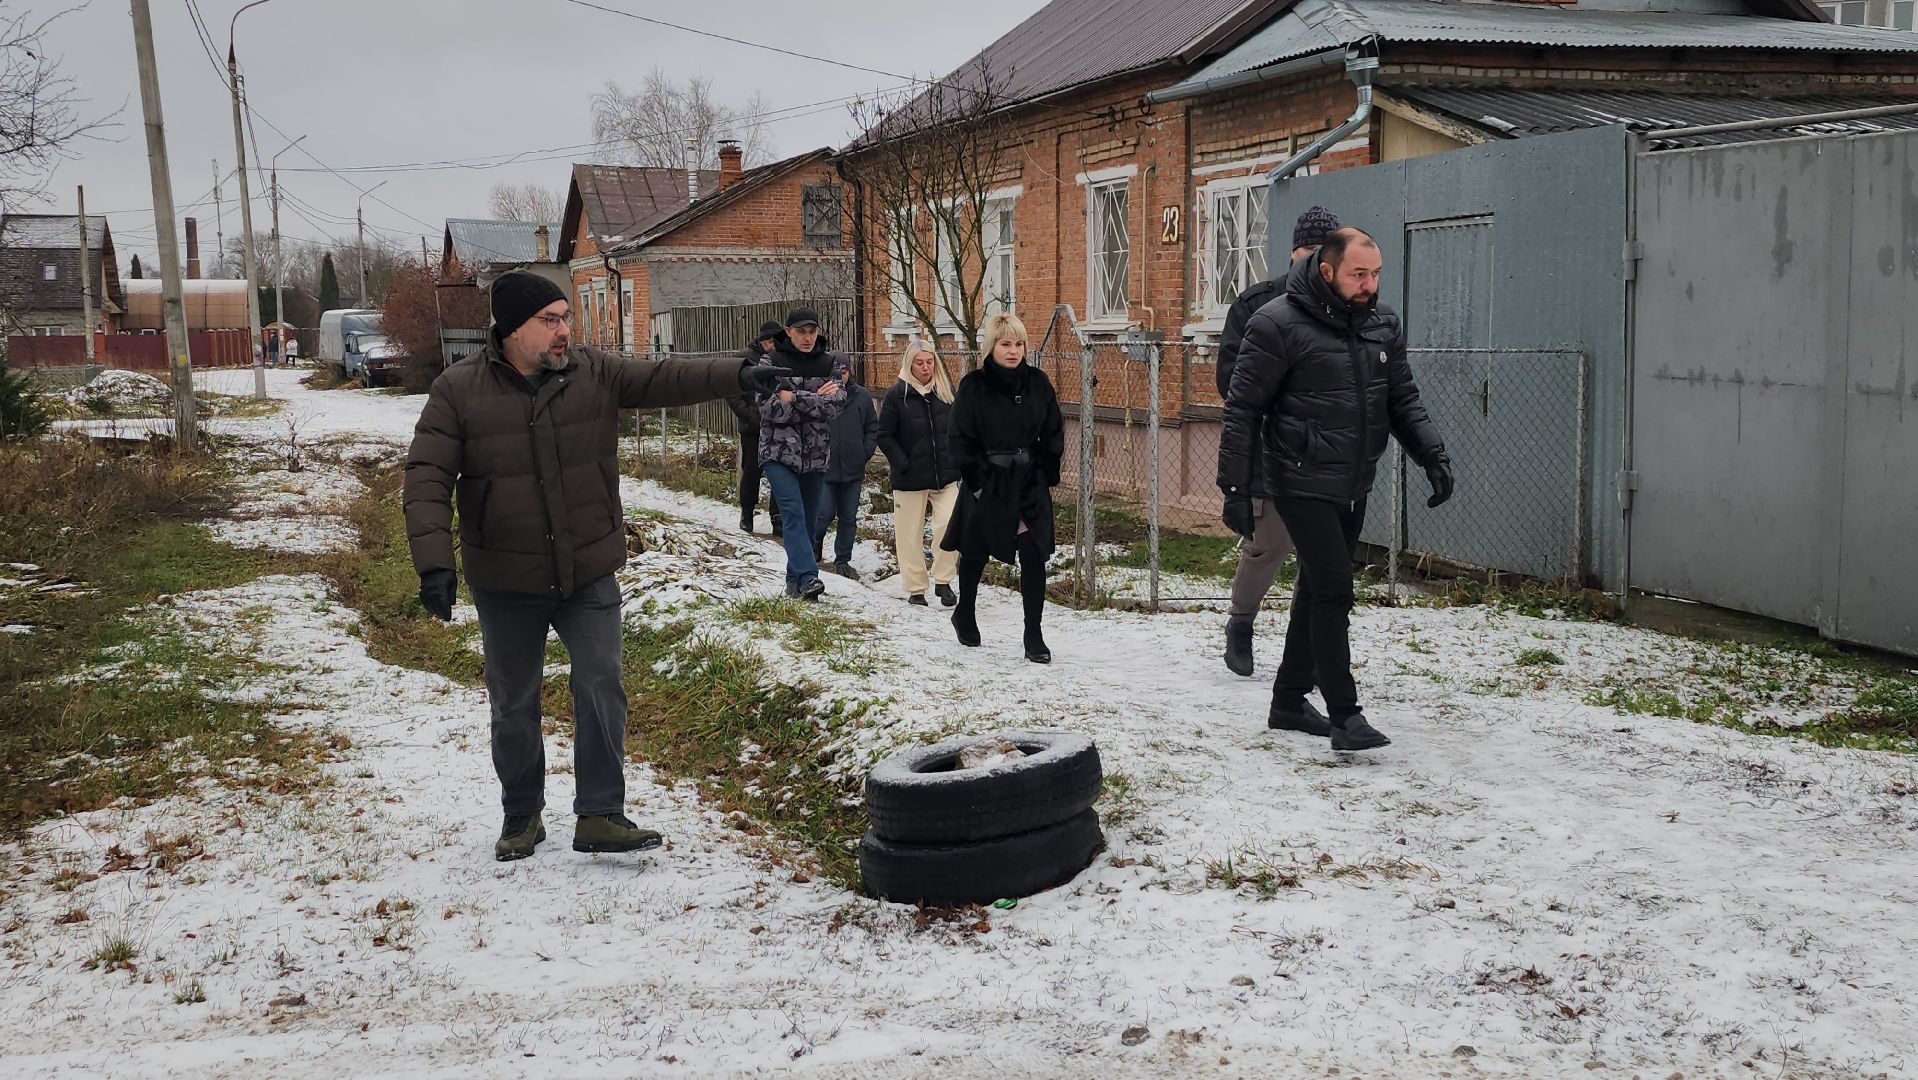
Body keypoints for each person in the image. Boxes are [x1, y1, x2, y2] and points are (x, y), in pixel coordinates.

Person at [404, 271, 790, 861]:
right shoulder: (458, 390)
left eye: (566, 318)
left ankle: (602, 814)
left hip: (587, 569)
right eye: (550, 320)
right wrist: (434, 564)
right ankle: (521, 816)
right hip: (505, 577)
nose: (565, 331)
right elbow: (426, 477)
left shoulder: (593, 372)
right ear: (512, 328)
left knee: (601, 683)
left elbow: (665, 377)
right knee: (514, 703)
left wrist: (735, 373)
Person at [1219, 228, 1452, 751]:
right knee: (1334, 586)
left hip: (1353, 478)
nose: (1370, 285)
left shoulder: (1380, 324)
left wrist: (1432, 454)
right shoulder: (1276, 323)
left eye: (1376, 274)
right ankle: (1346, 716)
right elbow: (1242, 408)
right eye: (1358, 274)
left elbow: (1402, 398)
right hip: (1298, 477)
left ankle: (1287, 700)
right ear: (1327, 271)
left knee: (1317, 588)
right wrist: (1236, 486)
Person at [1219, 205, 1341, 680]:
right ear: (1294, 251)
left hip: (1325, 454)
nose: (1316, 263)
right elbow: (1231, 381)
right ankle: (1241, 628)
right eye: (1309, 252)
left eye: (1324, 253)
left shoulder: (1343, 310)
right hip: (1270, 448)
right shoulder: (1256, 305)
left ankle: (1305, 643)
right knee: (1266, 546)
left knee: (1319, 557)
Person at [942, 312, 1064, 664]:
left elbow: (1053, 432)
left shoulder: (1038, 383)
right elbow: (960, 437)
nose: (1013, 351)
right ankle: (964, 611)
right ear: (991, 346)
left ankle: (1033, 634)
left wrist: (1045, 470)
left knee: (1034, 554)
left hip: (1029, 483)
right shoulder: (974, 385)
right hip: (988, 481)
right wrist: (976, 481)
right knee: (975, 551)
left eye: (1019, 343)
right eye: (1005, 343)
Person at [753, 307, 848, 601]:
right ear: (789, 331)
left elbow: (835, 406)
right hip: (778, 452)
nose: (807, 337)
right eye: (801, 331)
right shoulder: (771, 362)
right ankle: (809, 576)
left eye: (812, 331)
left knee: (808, 520)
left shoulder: (829, 363)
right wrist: (815, 398)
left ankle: (795, 583)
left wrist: (793, 397)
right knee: (792, 512)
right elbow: (768, 408)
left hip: (816, 454)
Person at [877, 338, 961, 607]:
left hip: (945, 476)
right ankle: (915, 588)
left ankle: (944, 580)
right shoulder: (896, 395)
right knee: (909, 534)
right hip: (910, 478)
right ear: (909, 364)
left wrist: (957, 460)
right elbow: (884, 435)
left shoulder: (946, 392)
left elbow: (960, 429)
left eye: (929, 361)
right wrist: (902, 462)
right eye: (919, 362)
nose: (926, 367)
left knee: (949, 525)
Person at [813, 359, 879, 580]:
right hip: (825, 469)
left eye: (844, 371)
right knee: (823, 514)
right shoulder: (819, 394)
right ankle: (814, 547)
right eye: (835, 372)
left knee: (848, 518)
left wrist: (864, 452)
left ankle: (842, 560)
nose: (840, 376)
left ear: (849, 372)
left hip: (853, 468)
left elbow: (872, 426)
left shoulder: (861, 396)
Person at [726, 321, 784, 535]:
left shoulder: (783, 358)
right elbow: (732, 393)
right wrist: (752, 416)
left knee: (779, 472)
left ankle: (777, 518)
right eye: (769, 341)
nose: (772, 345)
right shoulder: (745, 359)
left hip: (779, 426)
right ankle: (747, 513)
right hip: (753, 427)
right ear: (761, 340)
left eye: (775, 341)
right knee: (751, 471)